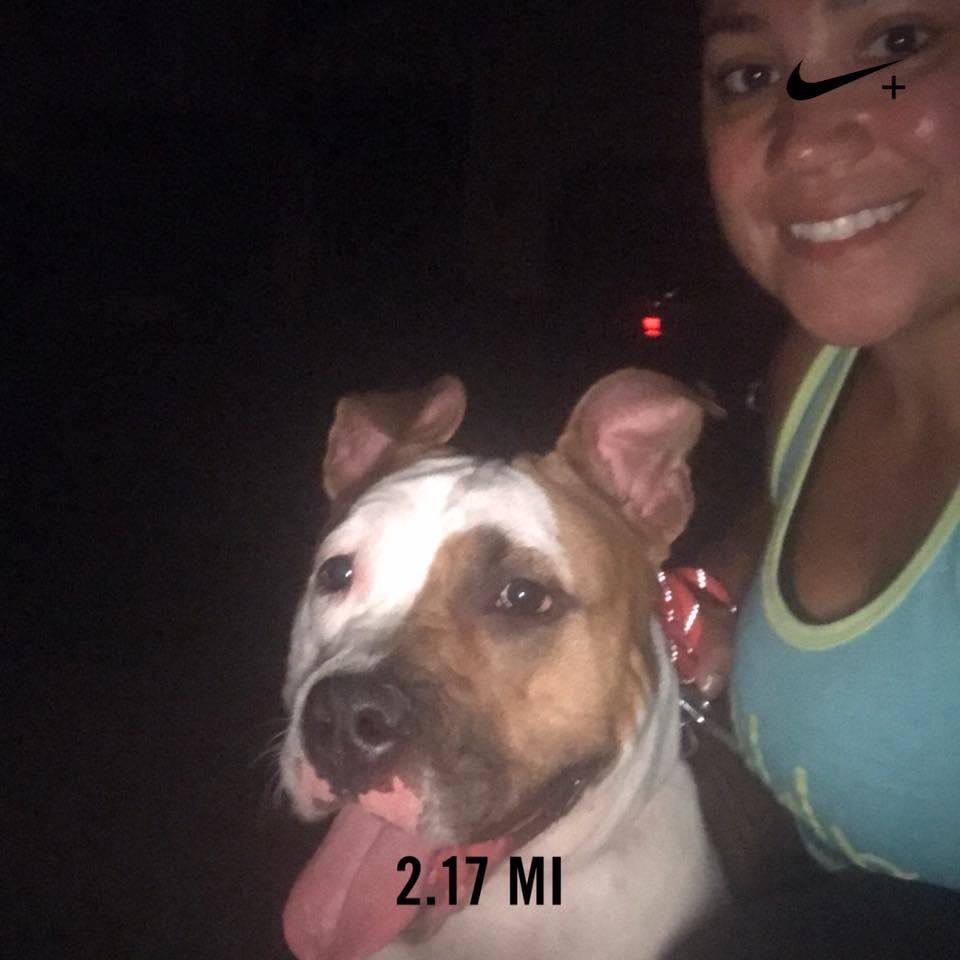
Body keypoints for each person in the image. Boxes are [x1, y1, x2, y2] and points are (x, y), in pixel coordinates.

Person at [666, 0, 960, 954]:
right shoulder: (815, 369)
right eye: (750, 76)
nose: (801, 138)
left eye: (899, 44)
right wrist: (714, 592)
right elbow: (771, 525)